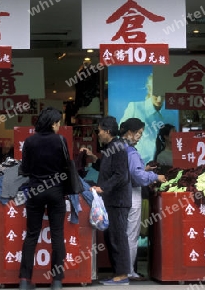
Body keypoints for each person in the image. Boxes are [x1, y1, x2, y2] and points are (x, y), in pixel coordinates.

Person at [18, 107, 68, 290]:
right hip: (56, 191)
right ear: (53, 123)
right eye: (58, 123)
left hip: (35, 191)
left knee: (31, 234)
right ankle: (56, 281)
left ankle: (24, 280)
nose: (59, 127)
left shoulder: (30, 141)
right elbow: (66, 166)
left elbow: (24, 169)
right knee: (57, 235)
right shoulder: (60, 141)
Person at [82, 116, 132, 286]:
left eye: (99, 131)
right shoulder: (112, 147)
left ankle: (123, 274)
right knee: (112, 236)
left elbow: (121, 175)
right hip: (111, 200)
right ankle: (117, 273)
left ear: (107, 131)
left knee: (118, 237)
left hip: (118, 201)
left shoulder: (117, 147)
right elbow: (106, 167)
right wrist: (93, 158)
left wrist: (103, 188)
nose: (98, 134)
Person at [119, 118, 166, 281]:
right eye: (138, 133)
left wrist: (144, 169)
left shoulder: (118, 147)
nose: (139, 136)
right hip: (132, 195)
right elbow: (137, 176)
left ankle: (124, 269)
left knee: (124, 234)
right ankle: (129, 270)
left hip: (121, 196)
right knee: (131, 235)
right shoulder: (131, 151)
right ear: (130, 133)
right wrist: (155, 176)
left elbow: (131, 171)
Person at [119, 73, 179, 165]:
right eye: (156, 94)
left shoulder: (171, 115)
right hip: (137, 163)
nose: (159, 99)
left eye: (163, 95)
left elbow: (175, 140)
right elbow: (121, 135)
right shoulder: (135, 108)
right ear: (149, 89)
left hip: (163, 163)